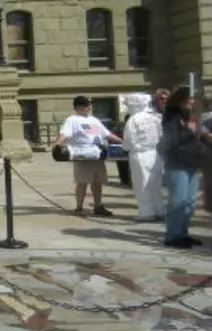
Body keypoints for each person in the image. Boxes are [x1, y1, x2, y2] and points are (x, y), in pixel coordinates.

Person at [159, 87, 212, 249]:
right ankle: (173, 235)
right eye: (190, 99)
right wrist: (192, 131)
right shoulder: (171, 116)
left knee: (189, 202)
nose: (193, 102)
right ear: (182, 99)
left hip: (191, 162)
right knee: (178, 200)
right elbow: (174, 139)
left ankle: (183, 232)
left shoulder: (187, 116)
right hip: (177, 163)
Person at [52, 95, 123, 217]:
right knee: (82, 182)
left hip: (97, 154)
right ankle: (79, 207)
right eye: (86, 104)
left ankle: (98, 206)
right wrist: (57, 145)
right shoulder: (72, 120)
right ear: (78, 107)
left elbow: (107, 134)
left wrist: (122, 142)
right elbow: (64, 134)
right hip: (82, 155)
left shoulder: (94, 120)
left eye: (90, 104)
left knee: (97, 182)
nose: (89, 107)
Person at [123, 90, 167, 221]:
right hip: (156, 154)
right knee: (156, 185)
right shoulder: (155, 118)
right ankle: (159, 210)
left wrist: (125, 148)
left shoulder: (132, 120)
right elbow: (162, 135)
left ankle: (146, 212)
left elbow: (127, 142)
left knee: (141, 185)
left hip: (139, 155)